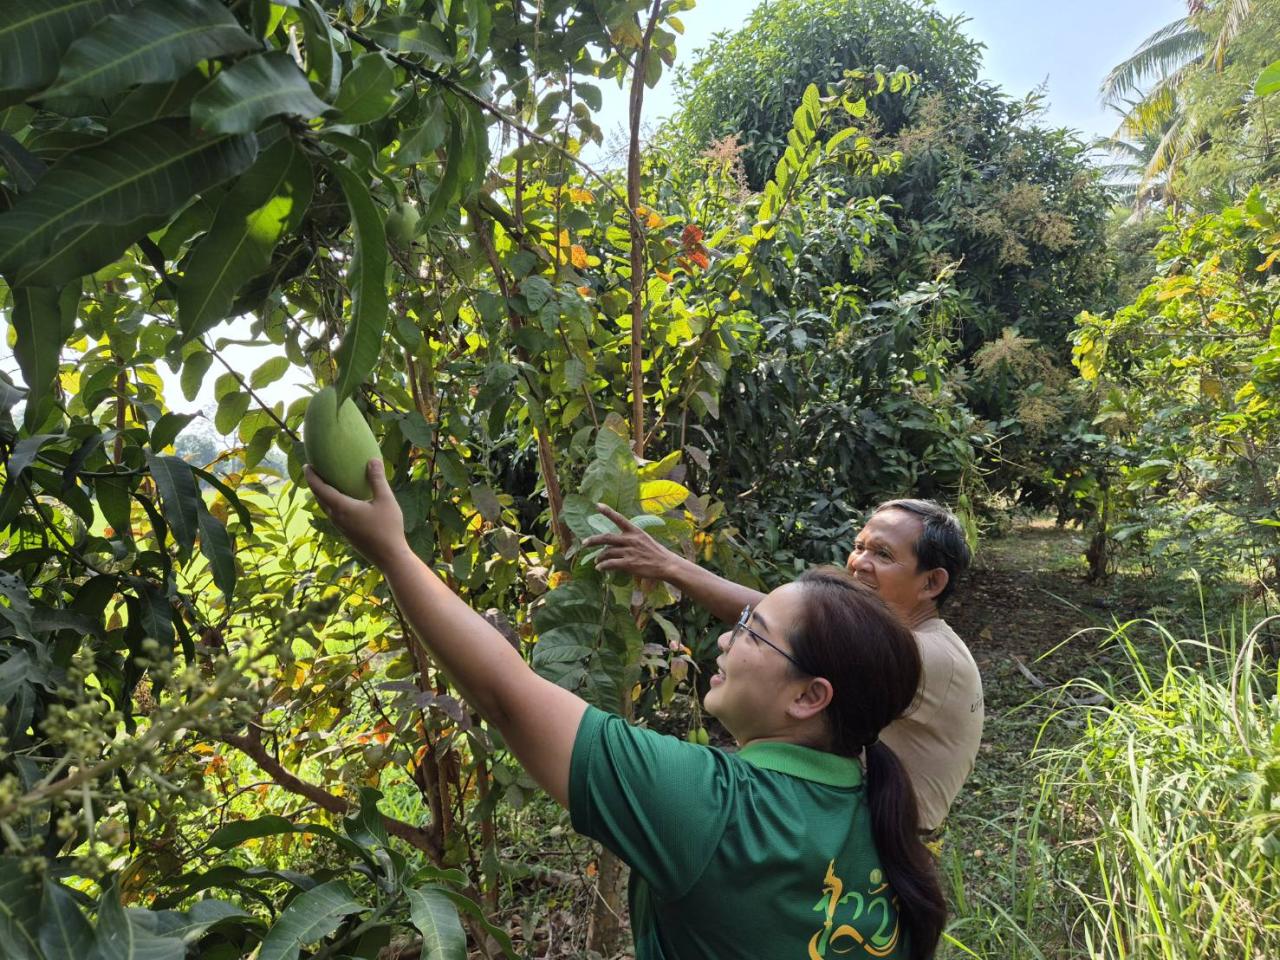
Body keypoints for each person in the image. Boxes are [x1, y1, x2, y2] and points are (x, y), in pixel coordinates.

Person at [306, 460, 946, 959]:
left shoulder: (715, 808)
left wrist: (391, 551)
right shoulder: (877, 807)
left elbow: (506, 694)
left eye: (753, 631)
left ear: (809, 697)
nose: (725, 637)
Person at [583, 498, 983, 835]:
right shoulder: (914, 643)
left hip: (885, 840)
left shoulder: (927, 655)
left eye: (883, 554)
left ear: (931, 584)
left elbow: (792, 629)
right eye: (859, 546)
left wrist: (671, 566)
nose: (859, 562)